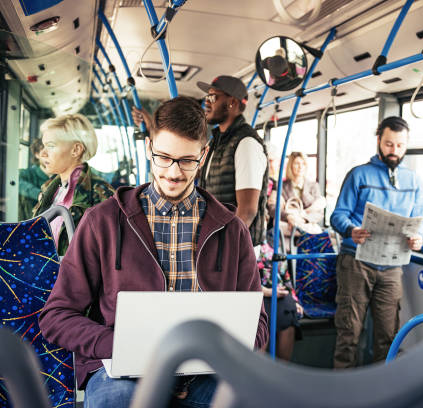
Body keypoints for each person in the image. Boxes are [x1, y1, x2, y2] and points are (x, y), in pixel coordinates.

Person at [39, 97, 268, 408]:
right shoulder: (102, 222)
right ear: (149, 147)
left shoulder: (231, 230)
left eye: (187, 160)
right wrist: (122, 347)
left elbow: (258, 324)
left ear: (204, 154)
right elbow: (56, 316)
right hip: (122, 370)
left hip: (204, 373)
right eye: (163, 157)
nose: (174, 172)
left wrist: (214, 354)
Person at [330, 116, 423, 368]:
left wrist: (420, 237)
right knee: (349, 332)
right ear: (378, 141)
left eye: (399, 145)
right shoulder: (359, 175)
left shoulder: (414, 181)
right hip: (356, 262)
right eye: (388, 144)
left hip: (392, 266)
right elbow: (338, 215)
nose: (394, 151)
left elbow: (421, 220)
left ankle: (380, 391)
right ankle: (342, 392)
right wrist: (351, 230)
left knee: (389, 336)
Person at [132, 76, 269, 250]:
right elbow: (189, 169)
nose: (207, 102)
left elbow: (247, 211)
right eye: (206, 97)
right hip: (213, 238)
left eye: (213, 97)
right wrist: (152, 127)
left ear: (232, 102)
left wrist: (222, 250)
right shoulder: (217, 141)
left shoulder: (246, 143)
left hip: (233, 248)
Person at [32, 114, 114, 255]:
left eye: (50, 146)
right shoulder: (49, 188)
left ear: (76, 150)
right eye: (43, 146)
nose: (43, 153)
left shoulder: (102, 194)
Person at [271, 151, 326, 237]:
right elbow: (273, 208)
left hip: (307, 227)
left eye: (303, 163)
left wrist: (303, 219)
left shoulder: (313, 186)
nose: (300, 167)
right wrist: (288, 216)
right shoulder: (279, 186)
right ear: (290, 166)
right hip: (286, 231)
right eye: (297, 163)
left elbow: (319, 213)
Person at [18, 138, 51, 220]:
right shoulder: (27, 174)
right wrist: (39, 194)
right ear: (37, 154)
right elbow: (16, 183)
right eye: (44, 153)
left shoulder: (61, 177)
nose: (48, 158)